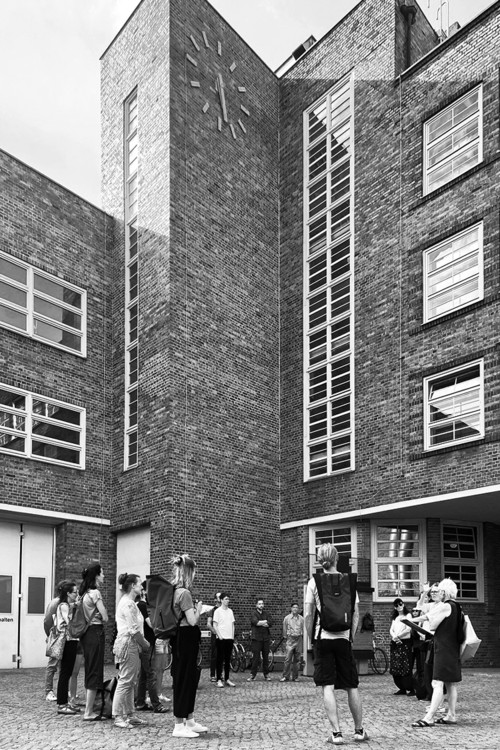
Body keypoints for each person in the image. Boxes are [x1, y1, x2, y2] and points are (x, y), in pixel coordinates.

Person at [305, 543, 368, 744]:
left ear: (319, 559)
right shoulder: (349, 581)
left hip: (323, 638)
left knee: (327, 686)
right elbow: (356, 614)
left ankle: (337, 733)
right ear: (337, 558)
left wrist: (312, 638)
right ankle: (359, 731)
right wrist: (351, 637)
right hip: (343, 639)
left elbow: (308, 614)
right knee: (351, 685)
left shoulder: (314, 582)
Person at [411, 578, 462, 727]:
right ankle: (451, 715)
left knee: (437, 682)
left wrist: (410, 620)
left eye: (440, 590)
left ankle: (429, 717)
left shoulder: (446, 606)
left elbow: (428, 617)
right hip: (452, 649)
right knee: (450, 684)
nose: (438, 592)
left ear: (445, 591)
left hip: (443, 648)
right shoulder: (458, 607)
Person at [170, 553, 207, 738]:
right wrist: (199, 610)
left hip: (179, 638)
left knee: (188, 679)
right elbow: (192, 621)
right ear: (189, 572)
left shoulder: (173, 591)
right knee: (184, 680)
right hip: (186, 638)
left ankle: (189, 720)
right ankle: (179, 724)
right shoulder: (184, 593)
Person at [112, 573, 151, 729]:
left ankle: (130, 715)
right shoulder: (128, 604)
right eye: (140, 584)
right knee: (126, 681)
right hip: (129, 643)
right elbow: (133, 630)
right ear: (133, 586)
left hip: (131, 643)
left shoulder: (129, 602)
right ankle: (117, 716)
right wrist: (145, 644)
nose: (142, 587)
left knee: (130, 681)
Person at [78, 562, 109, 721]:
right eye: (102, 573)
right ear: (96, 575)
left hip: (86, 634)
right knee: (95, 671)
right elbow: (105, 616)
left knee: (90, 669)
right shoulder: (95, 593)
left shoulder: (83, 593)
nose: (104, 576)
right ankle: (89, 712)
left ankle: (90, 709)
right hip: (95, 632)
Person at [135, 583, 169, 713]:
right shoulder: (143, 606)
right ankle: (156, 705)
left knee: (144, 675)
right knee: (151, 674)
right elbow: (152, 624)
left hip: (147, 643)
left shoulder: (141, 605)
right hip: (147, 644)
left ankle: (140, 702)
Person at [54, 580, 80, 715]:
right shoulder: (64, 605)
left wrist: (76, 604)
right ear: (68, 593)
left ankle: (65, 703)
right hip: (68, 641)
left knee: (67, 672)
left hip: (71, 640)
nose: (77, 594)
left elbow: (72, 605)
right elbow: (69, 622)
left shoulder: (66, 604)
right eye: (75, 592)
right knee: (65, 672)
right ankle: (62, 704)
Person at [43, 580, 66, 702]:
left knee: (63, 665)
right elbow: (47, 621)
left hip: (64, 637)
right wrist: (51, 635)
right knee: (52, 664)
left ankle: (62, 689)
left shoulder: (64, 602)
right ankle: (49, 691)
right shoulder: (56, 602)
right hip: (57, 637)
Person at [389, 598, 414, 696]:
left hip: (405, 642)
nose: (399, 607)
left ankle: (410, 687)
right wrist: (394, 637)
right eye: (396, 605)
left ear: (403, 604)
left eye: (400, 604)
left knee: (405, 665)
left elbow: (408, 629)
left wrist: (398, 636)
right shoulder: (395, 618)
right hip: (395, 642)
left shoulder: (408, 615)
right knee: (396, 665)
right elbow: (391, 629)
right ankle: (401, 687)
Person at [247, 598, 273, 681]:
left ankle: (266, 674)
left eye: (262, 604)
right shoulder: (253, 614)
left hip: (265, 638)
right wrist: (264, 622)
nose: (261, 605)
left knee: (266, 657)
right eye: (259, 604)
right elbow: (256, 622)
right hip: (256, 638)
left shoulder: (266, 613)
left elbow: (271, 622)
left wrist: (263, 622)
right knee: (256, 657)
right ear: (256, 605)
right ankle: (252, 674)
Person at [213, 593, 236, 688]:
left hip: (229, 638)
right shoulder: (217, 611)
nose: (228, 600)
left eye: (228, 599)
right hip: (221, 638)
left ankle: (227, 678)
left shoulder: (230, 611)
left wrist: (232, 636)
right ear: (221, 600)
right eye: (226, 599)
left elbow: (232, 624)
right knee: (220, 659)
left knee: (228, 659)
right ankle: (218, 679)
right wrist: (219, 636)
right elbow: (215, 624)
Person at [280, 602, 304, 682]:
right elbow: (284, 628)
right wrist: (286, 637)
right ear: (291, 608)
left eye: (297, 607)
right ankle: (285, 676)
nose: (295, 609)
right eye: (294, 607)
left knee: (297, 660)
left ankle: (295, 677)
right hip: (290, 639)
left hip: (299, 639)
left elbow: (303, 629)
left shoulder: (301, 618)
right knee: (287, 659)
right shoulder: (287, 618)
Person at [206, 593, 221, 682]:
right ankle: (213, 674)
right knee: (214, 655)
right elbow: (208, 624)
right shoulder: (212, 610)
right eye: (219, 596)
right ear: (215, 599)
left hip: (224, 636)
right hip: (215, 635)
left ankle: (220, 674)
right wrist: (215, 632)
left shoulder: (225, 610)